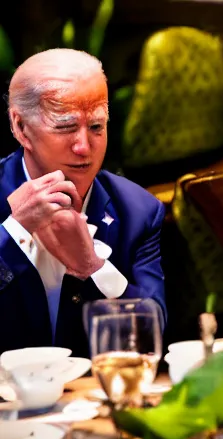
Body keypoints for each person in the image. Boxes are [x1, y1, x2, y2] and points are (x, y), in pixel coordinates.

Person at [0, 48, 166, 358]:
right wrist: (14, 231)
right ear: (21, 127)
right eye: (65, 127)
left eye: (96, 127)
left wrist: (93, 266)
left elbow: (152, 334)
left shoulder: (139, 211)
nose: (83, 147)